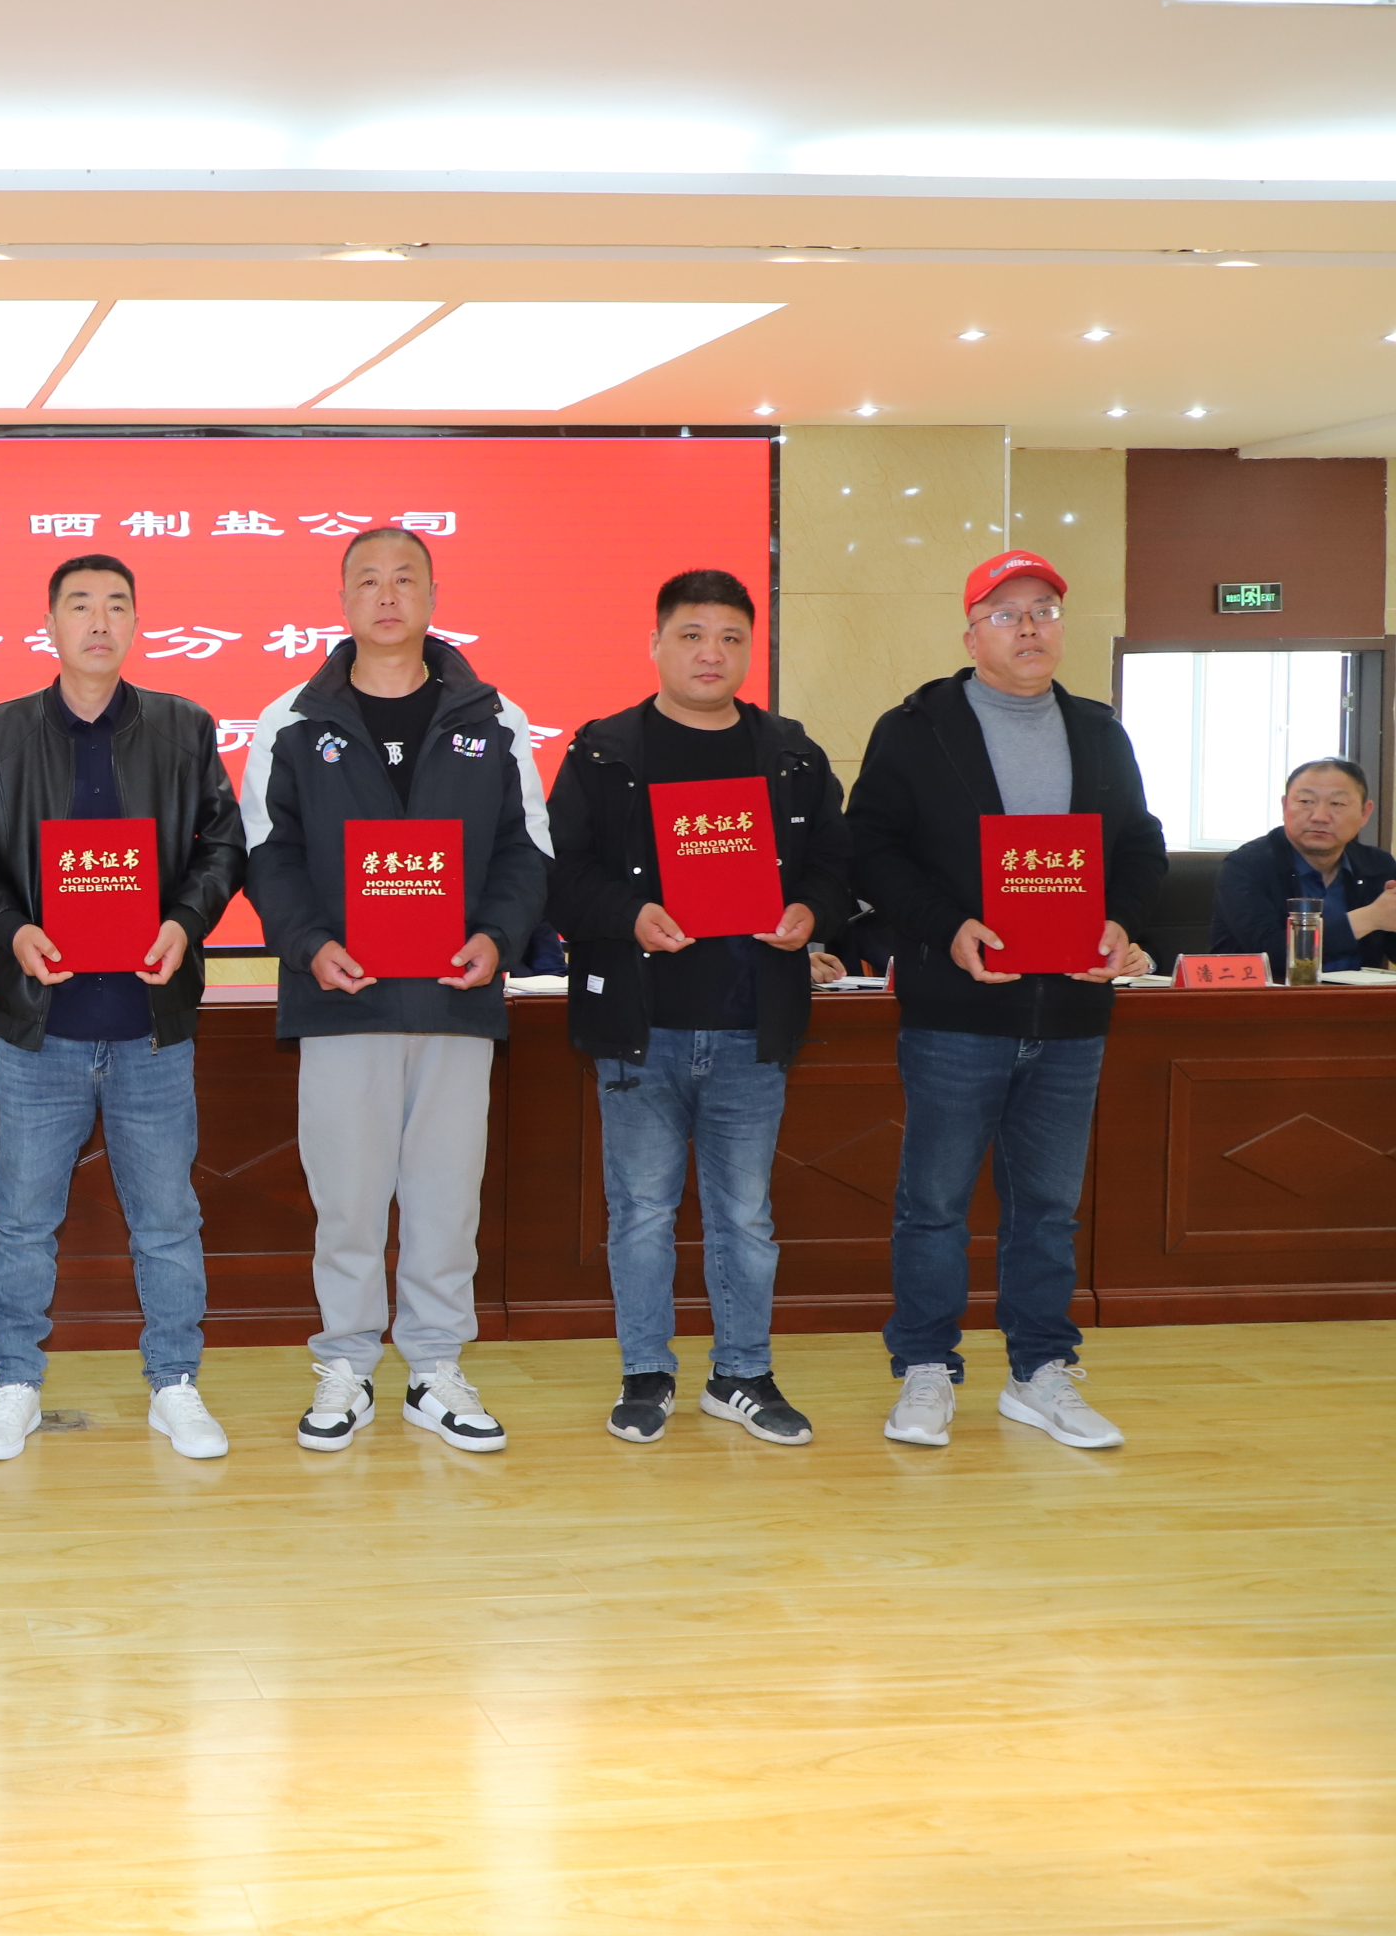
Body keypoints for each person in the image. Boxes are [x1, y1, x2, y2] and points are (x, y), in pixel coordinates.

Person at [848, 549, 1164, 1451]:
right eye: (1007, 613)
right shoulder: (916, 729)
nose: (1030, 628)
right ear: (971, 635)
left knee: (1049, 1208)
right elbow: (869, 850)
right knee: (934, 1203)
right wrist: (946, 925)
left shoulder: (1099, 731)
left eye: (1044, 611)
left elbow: (1140, 846)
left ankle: (1040, 1371)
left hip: (1070, 1014)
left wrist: (1120, 922)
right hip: (958, 1011)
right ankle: (925, 1366)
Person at [243, 526, 548, 1455]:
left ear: (433, 595)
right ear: (342, 600)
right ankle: (344, 1364)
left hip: (457, 997)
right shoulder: (291, 720)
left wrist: (497, 937)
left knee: (447, 1198)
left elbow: (526, 850)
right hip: (344, 999)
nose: (387, 595)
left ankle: (434, 1369)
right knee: (347, 1197)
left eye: (404, 578)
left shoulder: (496, 716)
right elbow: (267, 853)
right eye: (368, 580)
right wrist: (310, 945)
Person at [0, 553, 247, 1462]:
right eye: (80, 605)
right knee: (21, 1220)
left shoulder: (184, 728)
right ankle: (15, 1383)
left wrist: (184, 923)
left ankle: (175, 1383)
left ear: (136, 623)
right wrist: (13, 931)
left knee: (168, 1221)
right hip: (42, 1029)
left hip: (150, 1027)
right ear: (50, 625)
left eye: (117, 605)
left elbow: (223, 846)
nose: (100, 621)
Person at [543, 569, 853, 1447]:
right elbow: (557, 876)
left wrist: (811, 913)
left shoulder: (791, 755)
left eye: (729, 638)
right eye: (691, 635)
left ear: (750, 650)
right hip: (641, 1029)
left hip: (753, 1022)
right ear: (655, 645)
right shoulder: (604, 752)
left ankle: (741, 1374)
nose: (710, 653)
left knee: (745, 1216)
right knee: (641, 1211)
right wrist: (627, 914)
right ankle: (646, 1373)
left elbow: (838, 866)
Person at [1209, 758, 1396, 972]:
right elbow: (1269, 954)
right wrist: (1368, 918)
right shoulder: (1245, 866)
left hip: (1360, 994)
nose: (1319, 817)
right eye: (1306, 801)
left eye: (1337, 804)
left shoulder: (1377, 865)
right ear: (1284, 806)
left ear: (1365, 813)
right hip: (1266, 993)